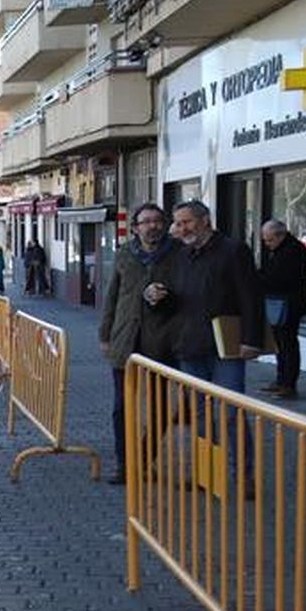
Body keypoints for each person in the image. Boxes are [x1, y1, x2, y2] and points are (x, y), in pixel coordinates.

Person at [98, 202, 179, 483]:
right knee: (122, 407)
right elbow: (112, 295)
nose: (152, 226)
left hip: (162, 340)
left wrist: (167, 296)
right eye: (146, 222)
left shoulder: (178, 253)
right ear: (135, 227)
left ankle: (143, 459)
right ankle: (123, 465)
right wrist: (105, 333)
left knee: (159, 408)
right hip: (125, 338)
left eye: (157, 220)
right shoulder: (124, 254)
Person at [167, 199, 262, 393]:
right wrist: (154, 297)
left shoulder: (233, 250)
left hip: (226, 344)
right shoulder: (182, 255)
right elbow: (177, 296)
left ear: (205, 221)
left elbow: (250, 297)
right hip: (189, 343)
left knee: (230, 408)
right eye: (178, 224)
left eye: (187, 222)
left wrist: (251, 340)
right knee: (196, 410)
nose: (182, 229)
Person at [258, 218, 306, 399]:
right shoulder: (282, 250)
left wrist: (260, 280)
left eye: (269, 240)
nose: (267, 244)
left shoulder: (293, 251)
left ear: (281, 235)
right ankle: (281, 380)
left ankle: (288, 384)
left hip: (289, 305)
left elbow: (280, 279)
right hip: (280, 304)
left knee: (287, 345)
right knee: (280, 345)